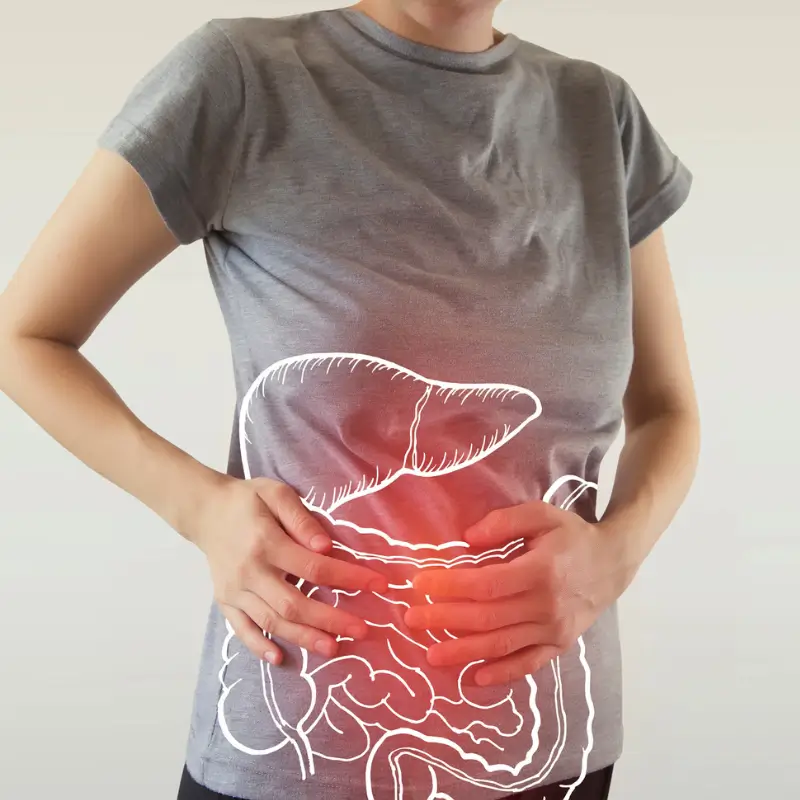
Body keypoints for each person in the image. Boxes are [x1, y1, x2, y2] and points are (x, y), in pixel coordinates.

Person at [0, 1, 700, 799]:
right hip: (298, 746)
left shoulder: (599, 116)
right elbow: (23, 336)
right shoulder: (243, 78)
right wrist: (199, 508)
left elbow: (667, 407)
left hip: (557, 757)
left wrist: (615, 555)